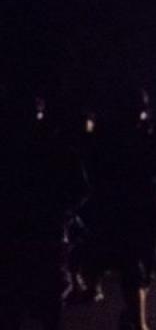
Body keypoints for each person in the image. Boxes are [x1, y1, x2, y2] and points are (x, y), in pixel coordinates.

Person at [77, 88, 156, 330]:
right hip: (126, 211)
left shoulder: (148, 136)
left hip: (140, 210)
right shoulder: (111, 137)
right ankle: (136, 320)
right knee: (134, 267)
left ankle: (132, 314)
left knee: (143, 266)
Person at [0, 90, 88, 330]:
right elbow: (79, 190)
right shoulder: (52, 147)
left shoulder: (51, 148)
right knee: (39, 293)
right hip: (35, 229)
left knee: (25, 294)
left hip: (35, 229)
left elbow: (79, 190)